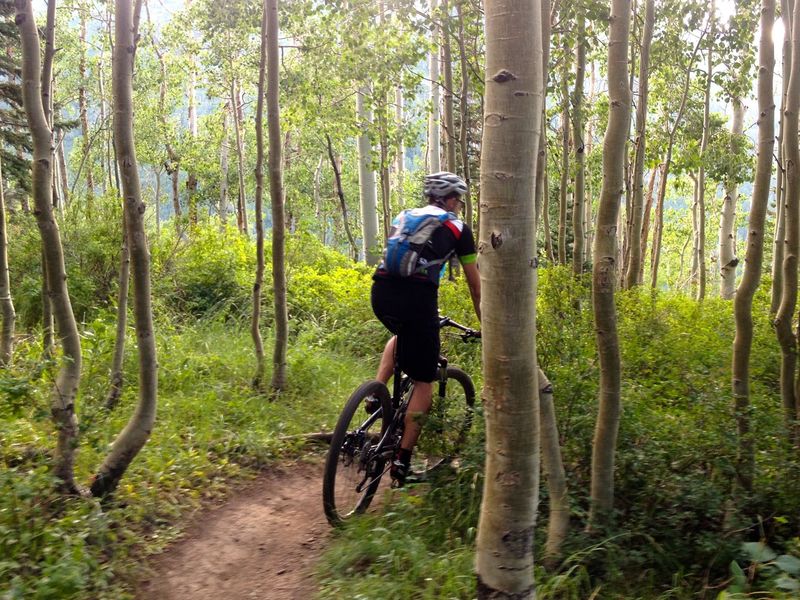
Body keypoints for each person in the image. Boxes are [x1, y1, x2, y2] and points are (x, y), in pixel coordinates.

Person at [370, 171, 481, 486]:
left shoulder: (405, 216)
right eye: (458, 199)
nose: (459, 205)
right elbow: (475, 285)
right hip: (417, 300)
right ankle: (402, 461)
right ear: (449, 199)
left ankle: (377, 393)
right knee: (424, 381)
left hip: (380, 293)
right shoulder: (458, 228)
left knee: (400, 335)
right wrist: (484, 322)